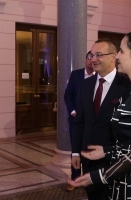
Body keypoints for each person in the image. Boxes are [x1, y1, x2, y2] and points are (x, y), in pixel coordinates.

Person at [68, 32, 131, 200]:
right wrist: (75, 152)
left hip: (116, 162)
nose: (93, 59)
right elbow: (79, 121)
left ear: (113, 57)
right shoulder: (86, 84)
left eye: (99, 55)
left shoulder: (126, 85)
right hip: (89, 158)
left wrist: (109, 152)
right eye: (91, 54)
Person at [64, 51, 94, 191]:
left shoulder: (99, 77)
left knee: (90, 149)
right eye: (89, 57)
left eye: (93, 58)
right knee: (75, 149)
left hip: (92, 123)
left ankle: (88, 178)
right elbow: (67, 95)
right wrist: (72, 111)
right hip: (76, 120)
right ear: (85, 60)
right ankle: (74, 179)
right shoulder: (76, 75)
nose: (91, 61)